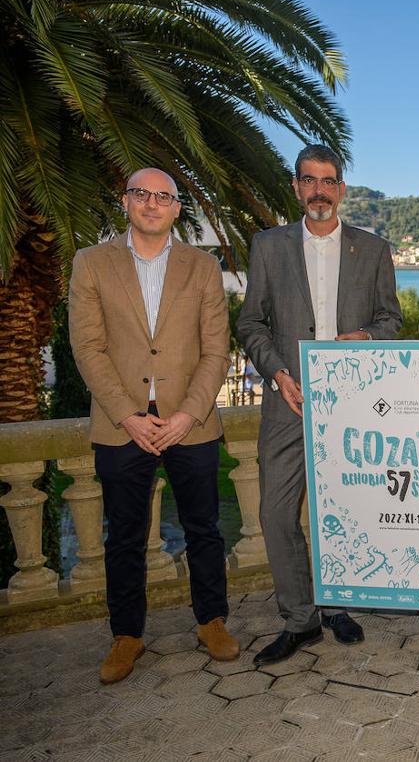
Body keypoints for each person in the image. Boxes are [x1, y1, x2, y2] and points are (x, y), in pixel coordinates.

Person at [69, 167, 237, 684]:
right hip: (122, 426)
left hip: (192, 422)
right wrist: (127, 415)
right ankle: (127, 636)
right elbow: (88, 348)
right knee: (122, 535)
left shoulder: (202, 267)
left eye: (163, 196)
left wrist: (187, 414)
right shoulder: (91, 264)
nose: (151, 203)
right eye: (141, 194)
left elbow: (216, 349)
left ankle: (211, 621)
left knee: (203, 529)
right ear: (125, 202)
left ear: (176, 209)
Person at [237, 144, 402, 666]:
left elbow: (392, 321)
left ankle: (339, 606)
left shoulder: (373, 249)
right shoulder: (268, 247)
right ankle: (300, 618)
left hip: (352, 406)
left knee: (345, 511)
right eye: (309, 181)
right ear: (296, 187)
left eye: (328, 181)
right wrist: (278, 372)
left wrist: (363, 339)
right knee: (276, 511)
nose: (319, 191)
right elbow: (250, 324)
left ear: (342, 190)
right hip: (289, 401)